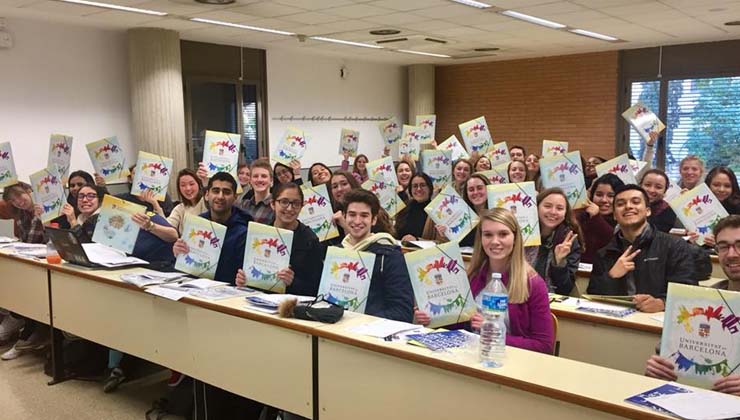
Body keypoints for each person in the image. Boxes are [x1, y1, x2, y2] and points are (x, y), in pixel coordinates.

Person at [416, 208, 554, 354]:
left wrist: (493, 333)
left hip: (508, 361)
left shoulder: (533, 284)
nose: (495, 241)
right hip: (469, 356)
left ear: (515, 238)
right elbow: (459, 328)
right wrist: (432, 320)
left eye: (503, 234)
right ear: (480, 239)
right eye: (488, 235)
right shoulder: (472, 276)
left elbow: (544, 346)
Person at [645, 214, 740, 396]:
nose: (731, 254)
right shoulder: (701, 303)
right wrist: (658, 369)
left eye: (739, 245)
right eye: (723, 247)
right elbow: (668, 356)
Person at [588, 185, 699, 312]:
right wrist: (612, 276)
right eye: (620, 204)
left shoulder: (674, 246)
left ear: (648, 211)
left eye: (635, 202)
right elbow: (593, 297)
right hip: (618, 323)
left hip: (658, 323)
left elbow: (688, 291)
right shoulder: (604, 253)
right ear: (614, 215)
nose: (628, 206)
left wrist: (662, 303)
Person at [236, 182, 323, 297]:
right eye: (284, 202)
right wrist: (243, 280)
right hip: (257, 301)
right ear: (272, 204)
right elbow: (249, 273)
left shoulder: (310, 240)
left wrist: (293, 282)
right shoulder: (260, 234)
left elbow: (316, 288)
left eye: (296, 203)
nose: (290, 208)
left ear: (302, 206)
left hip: (291, 306)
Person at [339, 189, 413, 322]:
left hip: (371, 334)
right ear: (344, 216)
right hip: (338, 330)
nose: (357, 221)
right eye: (352, 214)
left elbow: (402, 311)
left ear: (373, 220)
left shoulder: (390, 256)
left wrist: (361, 321)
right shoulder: (337, 253)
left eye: (364, 215)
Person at [173, 172, 251, 284]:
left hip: (227, 295)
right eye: (215, 191)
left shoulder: (244, 232)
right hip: (194, 288)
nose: (220, 196)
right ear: (206, 194)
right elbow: (186, 267)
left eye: (226, 192)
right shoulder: (197, 224)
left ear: (235, 197)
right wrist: (179, 253)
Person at [0, 183, 47, 359]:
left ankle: (28, 333)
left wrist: (37, 217)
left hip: (47, 260)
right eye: (13, 200)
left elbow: (34, 239)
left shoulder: (44, 207)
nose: (18, 202)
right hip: (30, 258)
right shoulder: (20, 214)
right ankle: (18, 324)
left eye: (19, 197)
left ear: (29, 191)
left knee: (27, 290)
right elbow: (26, 240)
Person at [525, 188, 583, 296]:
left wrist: (559, 262)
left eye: (559, 208)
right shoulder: (521, 234)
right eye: (547, 206)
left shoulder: (569, 240)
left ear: (565, 213)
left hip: (549, 301)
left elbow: (565, 289)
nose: (553, 212)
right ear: (536, 207)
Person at [423, 173, 489, 247]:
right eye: (471, 190)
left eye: (479, 188)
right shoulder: (460, 213)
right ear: (466, 193)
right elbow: (454, 245)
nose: (475, 192)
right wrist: (446, 235)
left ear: (488, 188)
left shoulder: (498, 214)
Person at [576, 173, 624, 263]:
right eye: (599, 194)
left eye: (610, 196)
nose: (604, 200)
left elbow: (610, 238)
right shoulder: (582, 216)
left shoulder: (624, 219)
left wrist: (596, 217)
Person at [167, 168, 208, 234]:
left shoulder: (206, 201)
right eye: (183, 185)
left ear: (199, 184)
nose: (188, 188)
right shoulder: (179, 208)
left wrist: (205, 183)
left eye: (191, 184)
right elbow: (167, 226)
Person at [395, 173, 433, 241]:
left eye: (423, 185)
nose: (419, 189)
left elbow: (440, 241)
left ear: (429, 188)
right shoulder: (404, 208)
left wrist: (417, 240)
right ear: (410, 189)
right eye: (415, 186)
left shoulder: (436, 210)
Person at [640, 169, 677, 233]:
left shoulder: (668, 211)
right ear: (640, 186)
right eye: (647, 185)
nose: (651, 190)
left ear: (665, 191)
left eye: (658, 187)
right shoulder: (629, 205)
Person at [240, 159, 274, 225]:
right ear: (250, 180)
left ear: (271, 180)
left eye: (264, 176)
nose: (259, 180)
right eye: (255, 176)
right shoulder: (243, 205)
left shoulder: (276, 206)